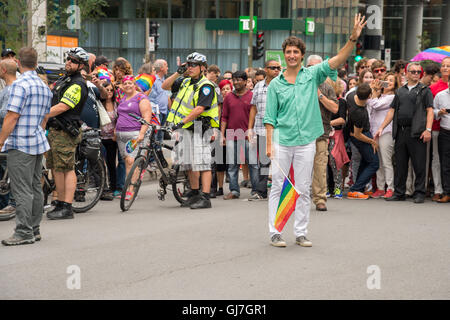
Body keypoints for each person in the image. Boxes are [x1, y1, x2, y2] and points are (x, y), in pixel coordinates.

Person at [264, 14, 367, 247]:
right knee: (279, 186)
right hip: (281, 140)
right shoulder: (276, 84)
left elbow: (338, 59)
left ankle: (300, 232)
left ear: (301, 55)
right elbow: (269, 117)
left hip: (306, 141)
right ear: (284, 55)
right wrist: (269, 144)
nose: (291, 55)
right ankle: (275, 232)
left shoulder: (312, 75)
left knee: (302, 187)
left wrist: (352, 38)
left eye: (295, 52)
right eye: (288, 52)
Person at [0, 47, 52, 245]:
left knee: (21, 190)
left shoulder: (19, 85)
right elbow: (45, 118)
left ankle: (23, 231)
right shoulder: (43, 86)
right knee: (34, 188)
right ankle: (34, 228)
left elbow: (12, 116)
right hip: (37, 141)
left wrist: (1, 140)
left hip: (20, 143)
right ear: (36, 63)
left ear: (18, 63)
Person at [164, 52, 219, 209]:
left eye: (194, 65)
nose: (190, 67)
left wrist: (181, 122)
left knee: (203, 163)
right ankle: (194, 193)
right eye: (188, 64)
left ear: (203, 68)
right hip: (187, 129)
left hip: (202, 128)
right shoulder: (185, 81)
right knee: (189, 163)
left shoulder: (206, 86)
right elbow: (165, 86)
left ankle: (205, 197)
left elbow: (200, 108)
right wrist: (177, 73)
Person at [375, 62, 434, 203]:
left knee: (419, 165)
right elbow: (392, 111)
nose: (415, 74)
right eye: (412, 71)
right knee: (400, 164)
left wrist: (428, 129)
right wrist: (382, 127)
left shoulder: (425, 90)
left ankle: (419, 192)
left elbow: (430, 110)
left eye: (417, 72)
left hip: (417, 132)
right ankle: (399, 192)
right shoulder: (400, 91)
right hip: (401, 132)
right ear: (406, 73)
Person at [45, 47, 89, 220]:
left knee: (67, 168)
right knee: (57, 168)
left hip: (65, 131)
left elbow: (64, 106)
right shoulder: (66, 79)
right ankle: (60, 202)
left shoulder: (77, 84)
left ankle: (67, 206)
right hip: (56, 130)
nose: (69, 62)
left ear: (81, 65)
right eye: (68, 59)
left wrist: (43, 114)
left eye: (73, 60)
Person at [307, 55, 339, 211]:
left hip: (321, 133)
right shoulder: (298, 85)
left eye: (318, 67)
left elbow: (334, 108)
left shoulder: (327, 87)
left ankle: (320, 199)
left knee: (320, 167)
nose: (314, 70)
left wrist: (319, 94)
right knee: (300, 167)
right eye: (311, 67)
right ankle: (295, 197)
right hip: (300, 134)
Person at [221, 71, 258, 200]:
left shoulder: (252, 96)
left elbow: (256, 116)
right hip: (231, 134)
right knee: (231, 165)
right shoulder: (229, 97)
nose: (236, 82)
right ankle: (234, 191)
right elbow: (224, 117)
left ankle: (256, 190)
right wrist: (222, 135)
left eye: (238, 80)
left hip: (248, 135)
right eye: (234, 80)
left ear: (245, 81)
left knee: (253, 164)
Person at [248, 60, 281, 201]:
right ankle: (261, 191)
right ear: (266, 70)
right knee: (264, 161)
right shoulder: (258, 87)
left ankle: (280, 191)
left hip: (280, 130)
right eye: (273, 68)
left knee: (281, 161)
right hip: (261, 129)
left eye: (278, 68)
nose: (276, 70)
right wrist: (250, 128)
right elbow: (253, 107)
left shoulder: (283, 85)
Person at [115, 75, 152, 200]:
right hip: (121, 134)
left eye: (130, 83)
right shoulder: (122, 98)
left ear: (134, 84)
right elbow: (119, 116)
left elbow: (147, 117)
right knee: (127, 161)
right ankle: (130, 186)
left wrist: (142, 133)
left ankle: (130, 189)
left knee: (131, 161)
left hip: (135, 133)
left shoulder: (141, 98)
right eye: (125, 84)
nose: (127, 86)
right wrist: (115, 130)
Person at [346, 83, 379, 199]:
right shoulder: (360, 113)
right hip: (361, 136)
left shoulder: (351, 96)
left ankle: (358, 188)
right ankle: (355, 189)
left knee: (366, 161)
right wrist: (372, 141)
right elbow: (357, 134)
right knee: (375, 163)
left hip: (355, 133)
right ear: (369, 96)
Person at [369, 73, 398, 199]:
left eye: (391, 80)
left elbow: (375, 104)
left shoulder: (392, 97)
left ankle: (390, 187)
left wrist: (374, 90)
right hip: (374, 132)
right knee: (378, 162)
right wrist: (376, 91)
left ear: (395, 84)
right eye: (386, 80)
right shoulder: (380, 96)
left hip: (386, 132)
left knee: (386, 162)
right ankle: (380, 188)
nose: (388, 82)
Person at [429, 57, 450, 201]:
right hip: (438, 128)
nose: (445, 68)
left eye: (448, 66)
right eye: (443, 65)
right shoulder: (434, 88)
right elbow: (431, 109)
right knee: (438, 160)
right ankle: (438, 189)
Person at [0, 59, 18, 221]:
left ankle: (9, 203)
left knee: (8, 171)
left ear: (4, 70)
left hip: (6, 136)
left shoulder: (11, 89)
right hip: (6, 135)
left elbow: (6, 113)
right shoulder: (8, 88)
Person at [328, 78, 349, 199]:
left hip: (336, 134)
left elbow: (342, 119)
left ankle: (338, 188)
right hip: (323, 133)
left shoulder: (341, 102)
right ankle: (325, 187)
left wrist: (328, 123)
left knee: (336, 161)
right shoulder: (322, 101)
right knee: (324, 162)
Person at [100, 82, 119, 198]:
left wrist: (116, 133)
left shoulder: (116, 104)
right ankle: (103, 187)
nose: (109, 92)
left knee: (111, 163)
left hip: (112, 138)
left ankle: (113, 187)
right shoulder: (99, 104)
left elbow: (119, 119)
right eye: (107, 90)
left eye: (111, 90)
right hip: (101, 137)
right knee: (101, 164)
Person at [214, 79, 233, 196]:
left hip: (233, 133)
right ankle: (220, 187)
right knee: (220, 162)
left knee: (231, 162)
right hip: (220, 133)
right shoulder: (218, 105)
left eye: (227, 89)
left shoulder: (234, 102)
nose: (225, 92)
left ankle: (232, 188)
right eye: (223, 89)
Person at [433, 77, 450, 203]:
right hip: (445, 132)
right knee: (445, 164)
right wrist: (439, 112)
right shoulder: (440, 95)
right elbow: (433, 111)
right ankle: (447, 192)